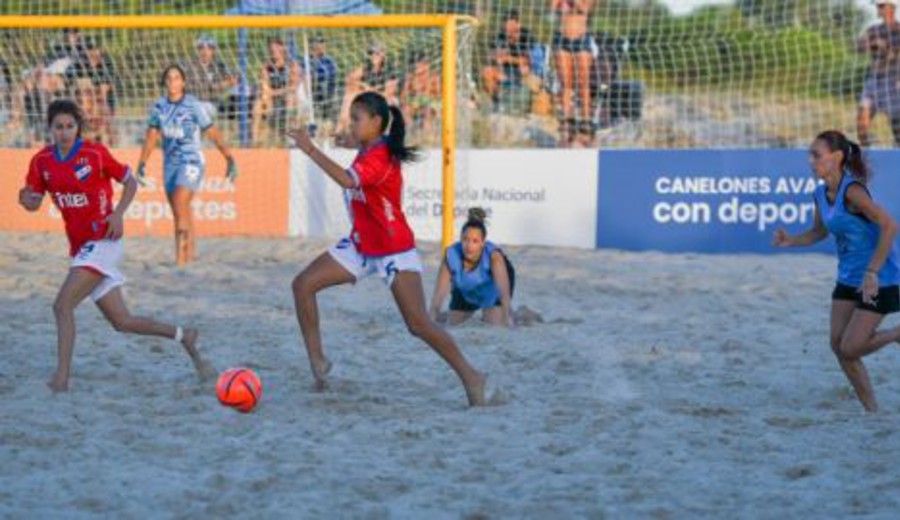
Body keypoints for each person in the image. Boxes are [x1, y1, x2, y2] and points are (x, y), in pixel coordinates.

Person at [286, 91, 487, 406]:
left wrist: (310, 149)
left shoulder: (379, 157)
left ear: (377, 122)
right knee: (302, 285)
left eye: (356, 119)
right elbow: (361, 147)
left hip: (393, 249)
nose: (351, 124)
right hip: (361, 244)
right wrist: (348, 140)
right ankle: (318, 363)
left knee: (418, 324)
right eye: (350, 118)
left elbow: (347, 180)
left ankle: (472, 376)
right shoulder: (371, 145)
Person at [17, 99, 216, 393]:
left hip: (103, 241)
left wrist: (117, 213)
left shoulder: (94, 154)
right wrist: (27, 200)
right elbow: (31, 200)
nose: (64, 132)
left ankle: (61, 379)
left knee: (62, 306)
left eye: (69, 126)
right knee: (122, 322)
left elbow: (130, 182)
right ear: (50, 129)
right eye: (58, 127)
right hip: (82, 248)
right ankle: (184, 335)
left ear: (78, 127)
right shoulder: (42, 162)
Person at [772, 130, 900, 412]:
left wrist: (873, 271)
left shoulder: (853, 192)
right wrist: (791, 239)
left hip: (879, 279)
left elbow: (890, 226)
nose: (810, 161)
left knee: (851, 347)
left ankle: (896, 334)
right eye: (810, 155)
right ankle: (872, 410)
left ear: (837, 157)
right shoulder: (819, 194)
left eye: (816, 155)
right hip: (848, 277)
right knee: (837, 344)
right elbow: (818, 231)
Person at [137, 64, 238, 267]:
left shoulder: (193, 105)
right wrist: (142, 163)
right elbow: (151, 137)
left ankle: (180, 260)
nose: (172, 82)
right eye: (169, 78)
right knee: (179, 209)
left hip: (191, 161)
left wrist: (229, 158)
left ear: (183, 82)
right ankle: (191, 253)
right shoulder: (159, 106)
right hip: (170, 164)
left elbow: (212, 132)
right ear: (165, 83)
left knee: (180, 203)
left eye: (176, 78)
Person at [429, 208, 516, 327]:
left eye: (475, 241)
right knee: (453, 323)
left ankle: (521, 314)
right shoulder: (451, 255)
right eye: (465, 240)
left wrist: (508, 317)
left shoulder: (495, 257)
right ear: (461, 239)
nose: (469, 245)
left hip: (491, 286)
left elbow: (504, 296)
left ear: (483, 243)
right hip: (466, 285)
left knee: (494, 322)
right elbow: (438, 297)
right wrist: (430, 319)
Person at [857, 0, 900, 147]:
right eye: (877, 5)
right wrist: (869, 44)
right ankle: (868, 156)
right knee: (861, 123)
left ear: (892, 8)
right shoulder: (873, 30)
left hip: (894, 82)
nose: (877, 8)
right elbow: (858, 46)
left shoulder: (898, 29)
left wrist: (888, 48)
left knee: (897, 130)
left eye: (881, 5)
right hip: (874, 80)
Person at [551, 0, 595, 144]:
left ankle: (586, 123)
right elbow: (552, 7)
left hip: (581, 38)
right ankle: (567, 122)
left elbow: (585, 9)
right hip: (562, 38)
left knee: (584, 83)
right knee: (566, 83)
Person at [336, 41, 399, 139]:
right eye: (371, 53)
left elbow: (389, 92)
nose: (374, 56)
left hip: (383, 97)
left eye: (377, 53)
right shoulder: (366, 68)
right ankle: (339, 132)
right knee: (348, 98)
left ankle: (387, 136)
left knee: (393, 101)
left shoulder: (389, 69)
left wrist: (371, 91)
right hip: (368, 97)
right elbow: (349, 80)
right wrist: (362, 85)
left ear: (383, 55)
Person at [253, 37, 301, 145]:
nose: (273, 52)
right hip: (273, 99)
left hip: (289, 97)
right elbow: (265, 87)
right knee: (258, 104)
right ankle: (254, 141)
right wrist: (268, 96)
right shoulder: (266, 66)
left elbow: (293, 87)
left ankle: (293, 139)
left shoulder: (292, 65)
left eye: (275, 49)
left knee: (291, 98)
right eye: (271, 49)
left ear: (283, 48)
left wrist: (275, 92)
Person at [181, 35, 237, 121]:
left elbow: (234, 80)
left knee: (200, 109)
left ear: (213, 51)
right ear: (197, 50)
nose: (205, 51)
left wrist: (218, 86)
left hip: (210, 104)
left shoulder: (219, 66)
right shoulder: (189, 66)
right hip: (190, 103)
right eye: (201, 48)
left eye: (209, 48)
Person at [400, 50, 440, 140]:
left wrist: (428, 91)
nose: (418, 67)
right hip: (416, 101)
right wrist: (407, 101)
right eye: (417, 64)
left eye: (423, 64)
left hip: (431, 101)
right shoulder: (411, 77)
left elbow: (439, 94)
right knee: (405, 110)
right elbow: (404, 94)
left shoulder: (433, 76)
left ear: (427, 65)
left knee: (427, 111)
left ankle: (428, 137)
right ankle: (410, 134)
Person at [309, 34, 340, 124]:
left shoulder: (329, 61)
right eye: (319, 43)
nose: (321, 46)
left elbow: (333, 78)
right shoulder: (307, 60)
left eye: (322, 43)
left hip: (327, 93)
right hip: (312, 93)